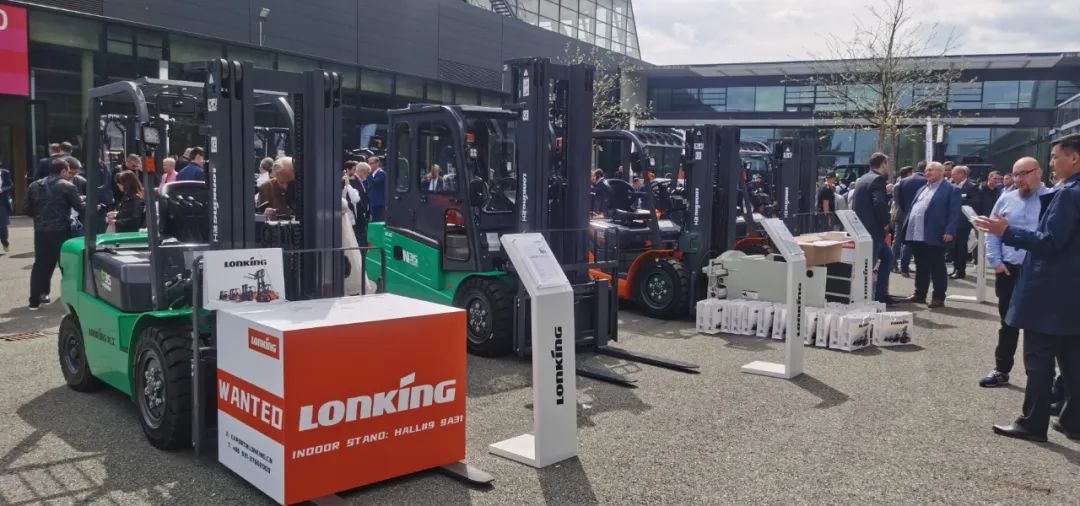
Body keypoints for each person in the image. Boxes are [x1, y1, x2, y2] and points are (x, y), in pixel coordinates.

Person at [977, 133, 1080, 443]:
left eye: (1055, 157)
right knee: (1071, 360)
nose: (1053, 163)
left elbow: (1049, 242)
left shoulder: (1068, 194)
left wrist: (1008, 232)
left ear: (1074, 158)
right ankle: (1073, 421)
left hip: (1049, 290)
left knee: (1039, 360)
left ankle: (1032, 423)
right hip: (1069, 290)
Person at [978, 158, 1049, 388]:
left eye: (1024, 174)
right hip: (1009, 269)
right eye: (1016, 174)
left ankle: (1038, 378)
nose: (1018, 179)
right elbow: (992, 230)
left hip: (1039, 273)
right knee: (1007, 323)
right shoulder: (1006, 198)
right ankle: (1001, 369)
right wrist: (996, 261)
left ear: (1038, 172)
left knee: (1038, 327)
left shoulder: (1052, 198)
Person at [23, 158, 85, 310]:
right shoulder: (67, 186)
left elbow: (27, 209)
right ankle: (71, 300)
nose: (69, 175)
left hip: (41, 230)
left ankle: (34, 301)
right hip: (61, 230)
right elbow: (80, 207)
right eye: (68, 172)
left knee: (40, 264)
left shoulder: (34, 185)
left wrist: (41, 216)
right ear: (63, 171)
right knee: (66, 264)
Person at [901, 162, 961, 308]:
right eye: (926, 170)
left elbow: (954, 212)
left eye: (931, 170)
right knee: (921, 265)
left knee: (937, 266)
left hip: (935, 233)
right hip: (917, 234)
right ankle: (920, 294)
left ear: (941, 172)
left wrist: (950, 230)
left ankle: (938, 297)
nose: (927, 173)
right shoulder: (922, 188)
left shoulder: (951, 189)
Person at [851, 152, 894, 303]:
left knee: (888, 258)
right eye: (887, 163)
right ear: (883, 164)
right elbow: (879, 204)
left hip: (863, 228)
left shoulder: (863, 178)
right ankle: (868, 299)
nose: (888, 167)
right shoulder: (877, 179)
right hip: (874, 231)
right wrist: (886, 222)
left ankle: (880, 295)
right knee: (869, 265)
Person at [893, 162, 927, 277]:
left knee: (900, 241)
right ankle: (914, 267)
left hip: (902, 215)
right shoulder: (926, 182)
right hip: (919, 216)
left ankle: (899, 266)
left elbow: (897, 201)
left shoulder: (902, 181)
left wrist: (903, 211)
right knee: (916, 242)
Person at [949, 166, 978, 279]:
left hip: (963, 222)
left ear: (962, 174)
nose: (952, 176)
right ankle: (955, 267)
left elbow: (975, 201)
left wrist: (959, 199)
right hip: (952, 220)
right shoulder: (951, 185)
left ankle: (961, 270)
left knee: (961, 246)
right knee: (953, 246)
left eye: (954, 174)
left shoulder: (971, 186)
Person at [366, 156, 387, 222]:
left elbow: (374, 182)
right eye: (368, 163)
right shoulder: (372, 174)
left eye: (371, 163)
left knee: (377, 221)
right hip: (372, 202)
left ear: (377, 163)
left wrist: (367, 174)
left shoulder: (381, 173)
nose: (369, 165)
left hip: (379, 203)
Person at [0, 162, 12, 252]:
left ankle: (4, 241)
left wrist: (3, 189)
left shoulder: (5, 173)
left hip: (2, 202)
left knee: (2, 225)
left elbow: (10, 185)